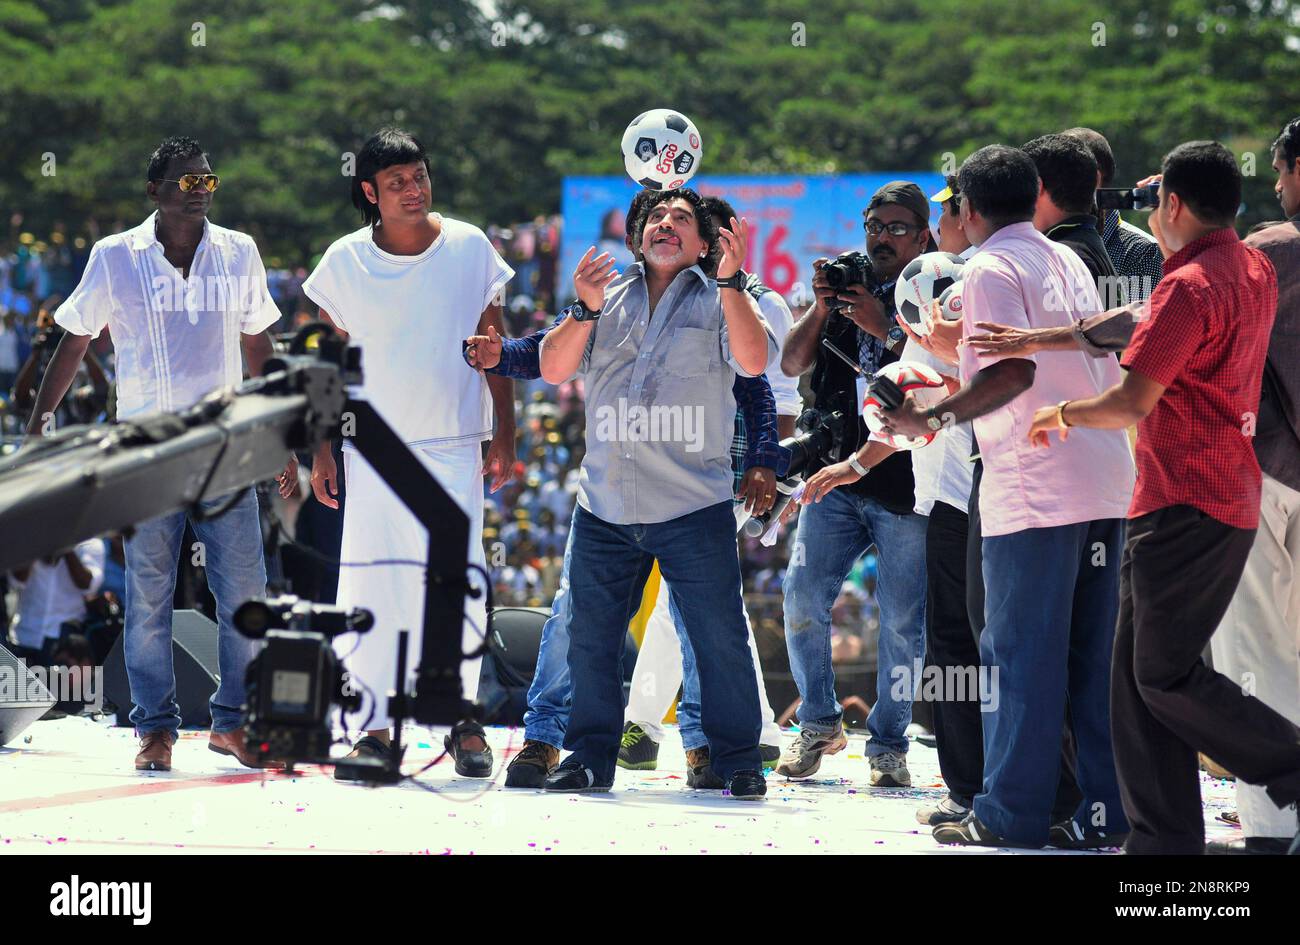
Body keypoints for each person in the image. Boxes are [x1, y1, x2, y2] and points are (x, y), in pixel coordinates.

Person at [1027, 140, 1300, 855]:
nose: (1152, 213)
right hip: (1219, 494)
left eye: (1158, 201)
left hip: (1186, 499)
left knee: (1164, 674)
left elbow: (1127, 401)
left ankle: (1290, 763)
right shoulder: (1251, 266)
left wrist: (1061, 415)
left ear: (1173, 203)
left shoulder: (1188, 287)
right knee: (1134, 682)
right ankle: (1164, 843)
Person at [466, 191, 787, 789]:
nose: (666, 225)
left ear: (704, 242)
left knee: (719, 639)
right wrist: (582, 312)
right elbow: (554, 367)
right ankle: (588, 758)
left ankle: (739, 762)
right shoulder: (603, 297)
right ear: (637, 236)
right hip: (606, 503)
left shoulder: (725, 298)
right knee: (591, 636)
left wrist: (734, 282)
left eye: (682, 219)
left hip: (694, 503)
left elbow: (753, 363)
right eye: (655, 219)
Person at [880, 145, 1135, 849]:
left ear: (966, 207)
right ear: (1034, 195)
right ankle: (1101, 813)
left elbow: (1012, 372)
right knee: (1089, 659)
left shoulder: (990, 266)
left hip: (1037, 484)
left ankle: (1010, 814)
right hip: (1103, 474)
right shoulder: (1068, 259)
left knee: (1019, 655)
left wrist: (930, 417)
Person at [25, 136, 294, 773]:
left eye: (208, 180)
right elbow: (74, 339)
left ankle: (232, 722)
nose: (199, 190)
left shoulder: (239, 252)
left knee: (246, 594)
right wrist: (40, 418)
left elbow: (259, 344)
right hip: (145, 456)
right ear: (155, 191)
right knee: (148, 597)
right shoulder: (114, 257)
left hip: (226, 449)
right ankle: (155, 729)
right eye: (186, 181)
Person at [303, 128, 517, 780]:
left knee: (456, 582)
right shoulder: (343, 260)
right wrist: (319, 447)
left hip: (453, 442)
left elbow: (495, 344)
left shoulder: (469, 245)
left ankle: (461, 720)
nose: (413, 188)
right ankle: (372, 729)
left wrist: (504, 433)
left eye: (419, 175)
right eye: (396, 181)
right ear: (368, 191)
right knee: (370, 580)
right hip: (370, 447)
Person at [616, 194, 801, 777]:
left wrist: (775, 477)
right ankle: (756, 728)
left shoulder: (761, 303)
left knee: (688, 598)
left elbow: (778, 398)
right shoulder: (665, 300)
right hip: (679, 468)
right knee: (704, 601)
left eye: (713, 238)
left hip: (738, 474)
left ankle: (648, 725)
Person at [775, 181, 930, 787]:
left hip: (907, 485)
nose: (881, 238)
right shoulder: (845, 283)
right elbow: (790, 365)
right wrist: (821, 307)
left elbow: (945, 365)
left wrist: (885, 325)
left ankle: (888, 744)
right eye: (873, 226)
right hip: (837, 478)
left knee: (900, 621)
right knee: (801, 596)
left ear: (923, 235)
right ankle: (817, 723)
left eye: (895, 228)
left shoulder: (936, 283)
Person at [1206, 118, 1300, 854]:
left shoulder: (1275, 249)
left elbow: (1166, 316)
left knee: (1258, 648)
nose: (1274, 183)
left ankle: (1274, 825)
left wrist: (1061, 336)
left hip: (1273, 475)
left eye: (1280, 168)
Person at [1063, 127, 1165, 301]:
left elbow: (1135, 325)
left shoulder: (1141, 252)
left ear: (1093, 179)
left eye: (1059, 175)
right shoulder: (1046, 241)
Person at [6, 541, 105, 661]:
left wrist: (65, 544)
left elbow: (88, 585)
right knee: (16, 680)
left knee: (54, 680)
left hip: (64, 641)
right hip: (23, 635)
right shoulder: (30, 538)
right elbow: (16, 581)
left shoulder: (90, 543)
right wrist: (37, 541)